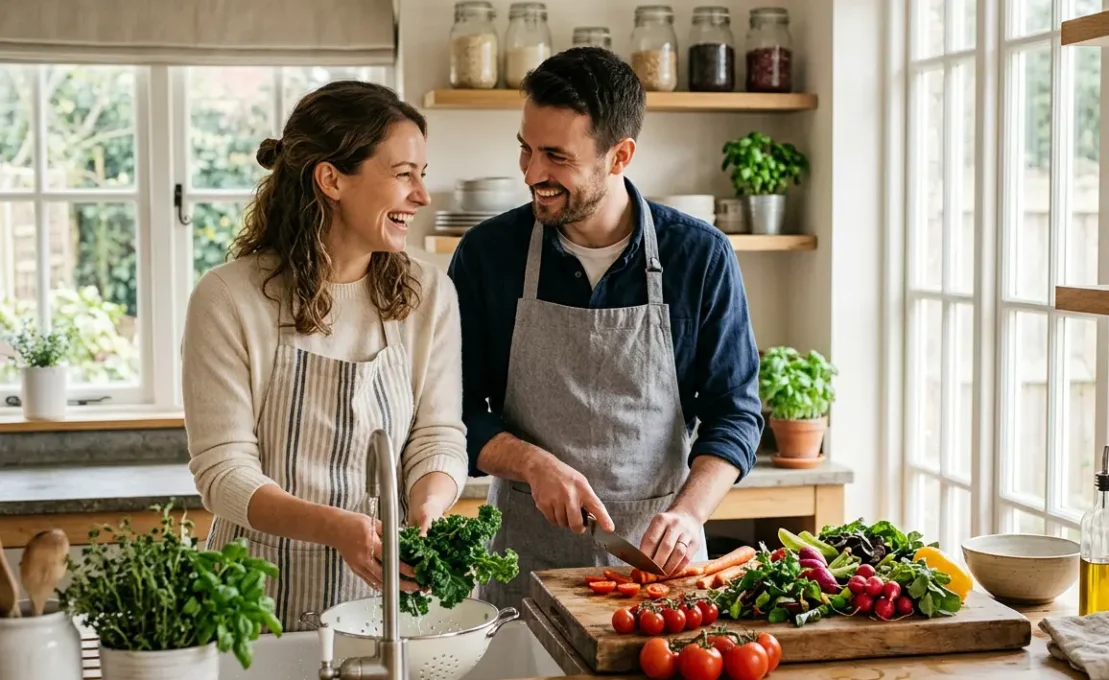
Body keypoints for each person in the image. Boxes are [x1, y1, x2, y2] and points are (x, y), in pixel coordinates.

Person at [448, 47, 764, 612]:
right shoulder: (487, 255)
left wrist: (690, 513)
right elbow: (454, 412)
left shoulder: (700, 257)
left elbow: (735, 412)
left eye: (555, 156)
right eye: (525, 148)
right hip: (525, 570)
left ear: (620, 155)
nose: (531, 173)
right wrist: (533, 464)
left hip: (656, 573)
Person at [181, 81, 468, 631]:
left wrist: (429, 503)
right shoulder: (228, 298)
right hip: (253, 599)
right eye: (403, 173)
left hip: (387, 600)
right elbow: (224, 472)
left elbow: (438, 435)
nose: (422, 196)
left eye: (421, 175)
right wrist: (336, 526)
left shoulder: (429, 295)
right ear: (332, 179)